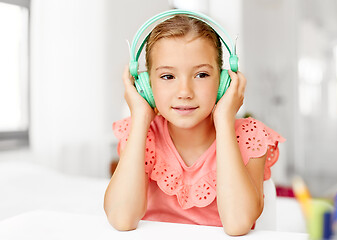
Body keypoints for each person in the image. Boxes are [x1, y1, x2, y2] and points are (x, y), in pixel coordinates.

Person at [104, 11, 285, 236]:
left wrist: (224, 121)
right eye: (168, 77)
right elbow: (122, 219)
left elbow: (238, 223)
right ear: (147, 86)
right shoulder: (140, 134)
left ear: (224, 82)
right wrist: (140, 118)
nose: (185, 92)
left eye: (201, 75)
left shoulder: (250, 137)